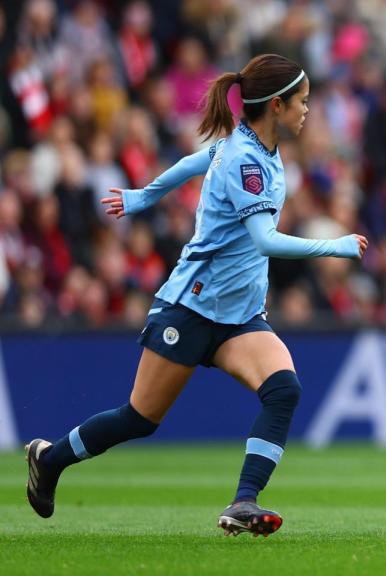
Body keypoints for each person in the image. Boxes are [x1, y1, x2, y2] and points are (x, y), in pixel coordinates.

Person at [25, 54, 368, 537]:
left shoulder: (250, 147)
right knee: (139, 418)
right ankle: (51, 458)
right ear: (276, 105)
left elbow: (199, 158)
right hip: (190, 307)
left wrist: (147, 194)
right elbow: (265, 240)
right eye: (302, 102)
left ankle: (244, 501)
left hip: (239, 317)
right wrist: (334, 245)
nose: (307, 111)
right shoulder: (248, 162)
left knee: (284, 389)